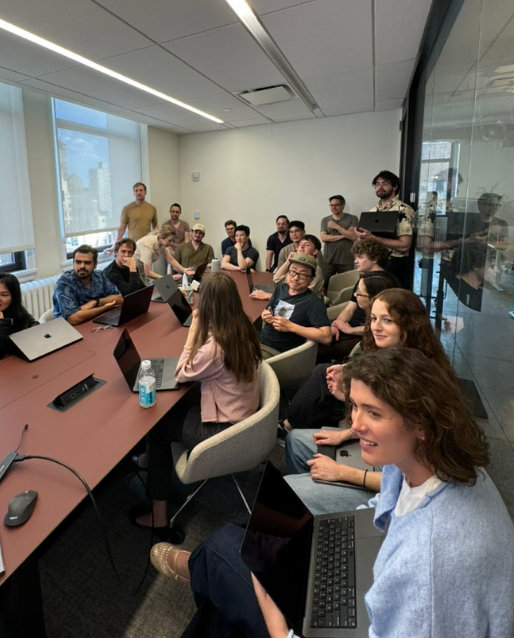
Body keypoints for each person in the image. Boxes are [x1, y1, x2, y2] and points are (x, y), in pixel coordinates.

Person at [150, 347, 514, 638]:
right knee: (262, 537)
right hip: (374, 565)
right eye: (354, 407)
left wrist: (281, 629)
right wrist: (326, 541)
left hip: (378, 602)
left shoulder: (429, 565)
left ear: (421, 422)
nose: (355, 424)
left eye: (373, 412)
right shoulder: (437, 461)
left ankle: (198, 567)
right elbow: (386, 508)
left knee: (224, 549)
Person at [129, 273, 261, 542]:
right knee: (177, 405)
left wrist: (193, 328)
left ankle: (158, 513)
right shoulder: (242, 326)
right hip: (243, 417)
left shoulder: (214, 348)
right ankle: (147, 460)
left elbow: (180, 372)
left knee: (157, 425)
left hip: (222, 430)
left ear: (208, 304)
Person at [283, 287, 456, 438]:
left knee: (321, 383)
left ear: (410, 324)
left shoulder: (415, 368)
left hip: (387, 439)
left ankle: (290, 426)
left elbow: (391, 418)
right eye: (373, 318)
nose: (376, 327)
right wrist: (349, 370)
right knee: (324, 374)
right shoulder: (396, 349)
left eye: (387, 320)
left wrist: (349, 396)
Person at [316, 238, 391, 362]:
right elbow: (350, 309)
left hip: (364, 336)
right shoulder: (363, 280)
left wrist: (351, 331)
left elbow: (383, 325)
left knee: (317, 351)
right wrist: (337, 325)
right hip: (348, 329)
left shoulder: (387, 284)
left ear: (374, 259)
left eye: (360, 257)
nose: (355, 261)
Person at [255, 253, 331, 359]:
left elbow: (327, 337)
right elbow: (265, 311)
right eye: (293, 272)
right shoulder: (281, 288)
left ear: (311, 279)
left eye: (303, 275)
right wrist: (265, 316)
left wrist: (290, 327)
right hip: (260, 341)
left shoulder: (313, 303)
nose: (295, 278)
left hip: (278, 352)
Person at [354, 170, 416, 286]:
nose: (380, 187)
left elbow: (404, 245)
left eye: (385, 183)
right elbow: (366, 242)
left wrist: (372, 238)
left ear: (395, 186)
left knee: (390, 300)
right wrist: (360, 237)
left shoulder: (403, 210)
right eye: (377, 184)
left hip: (395, 264)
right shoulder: (372, 212)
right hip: (374, 263)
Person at [53, 244, 123, 325]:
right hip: (69, 329)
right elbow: (73, 318)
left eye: (87, 263)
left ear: (95, 264)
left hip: (95, 322)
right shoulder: (64, 283)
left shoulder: (99, 276)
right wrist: (104, 307)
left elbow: (119, 298)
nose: (82, 266)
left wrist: (96, 302)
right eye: (78, 262)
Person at [320, 195, 359, 287]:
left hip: (346, 259)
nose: (333, 207)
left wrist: (336, 227)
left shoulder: (352, 218)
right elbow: (324, 238)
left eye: (336, 205)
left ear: (343, 205)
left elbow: (353, 237)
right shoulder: (325, 220)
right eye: (331, 205)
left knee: (348, 286)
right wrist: (344, 235)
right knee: (325, 285)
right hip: (328, 259)